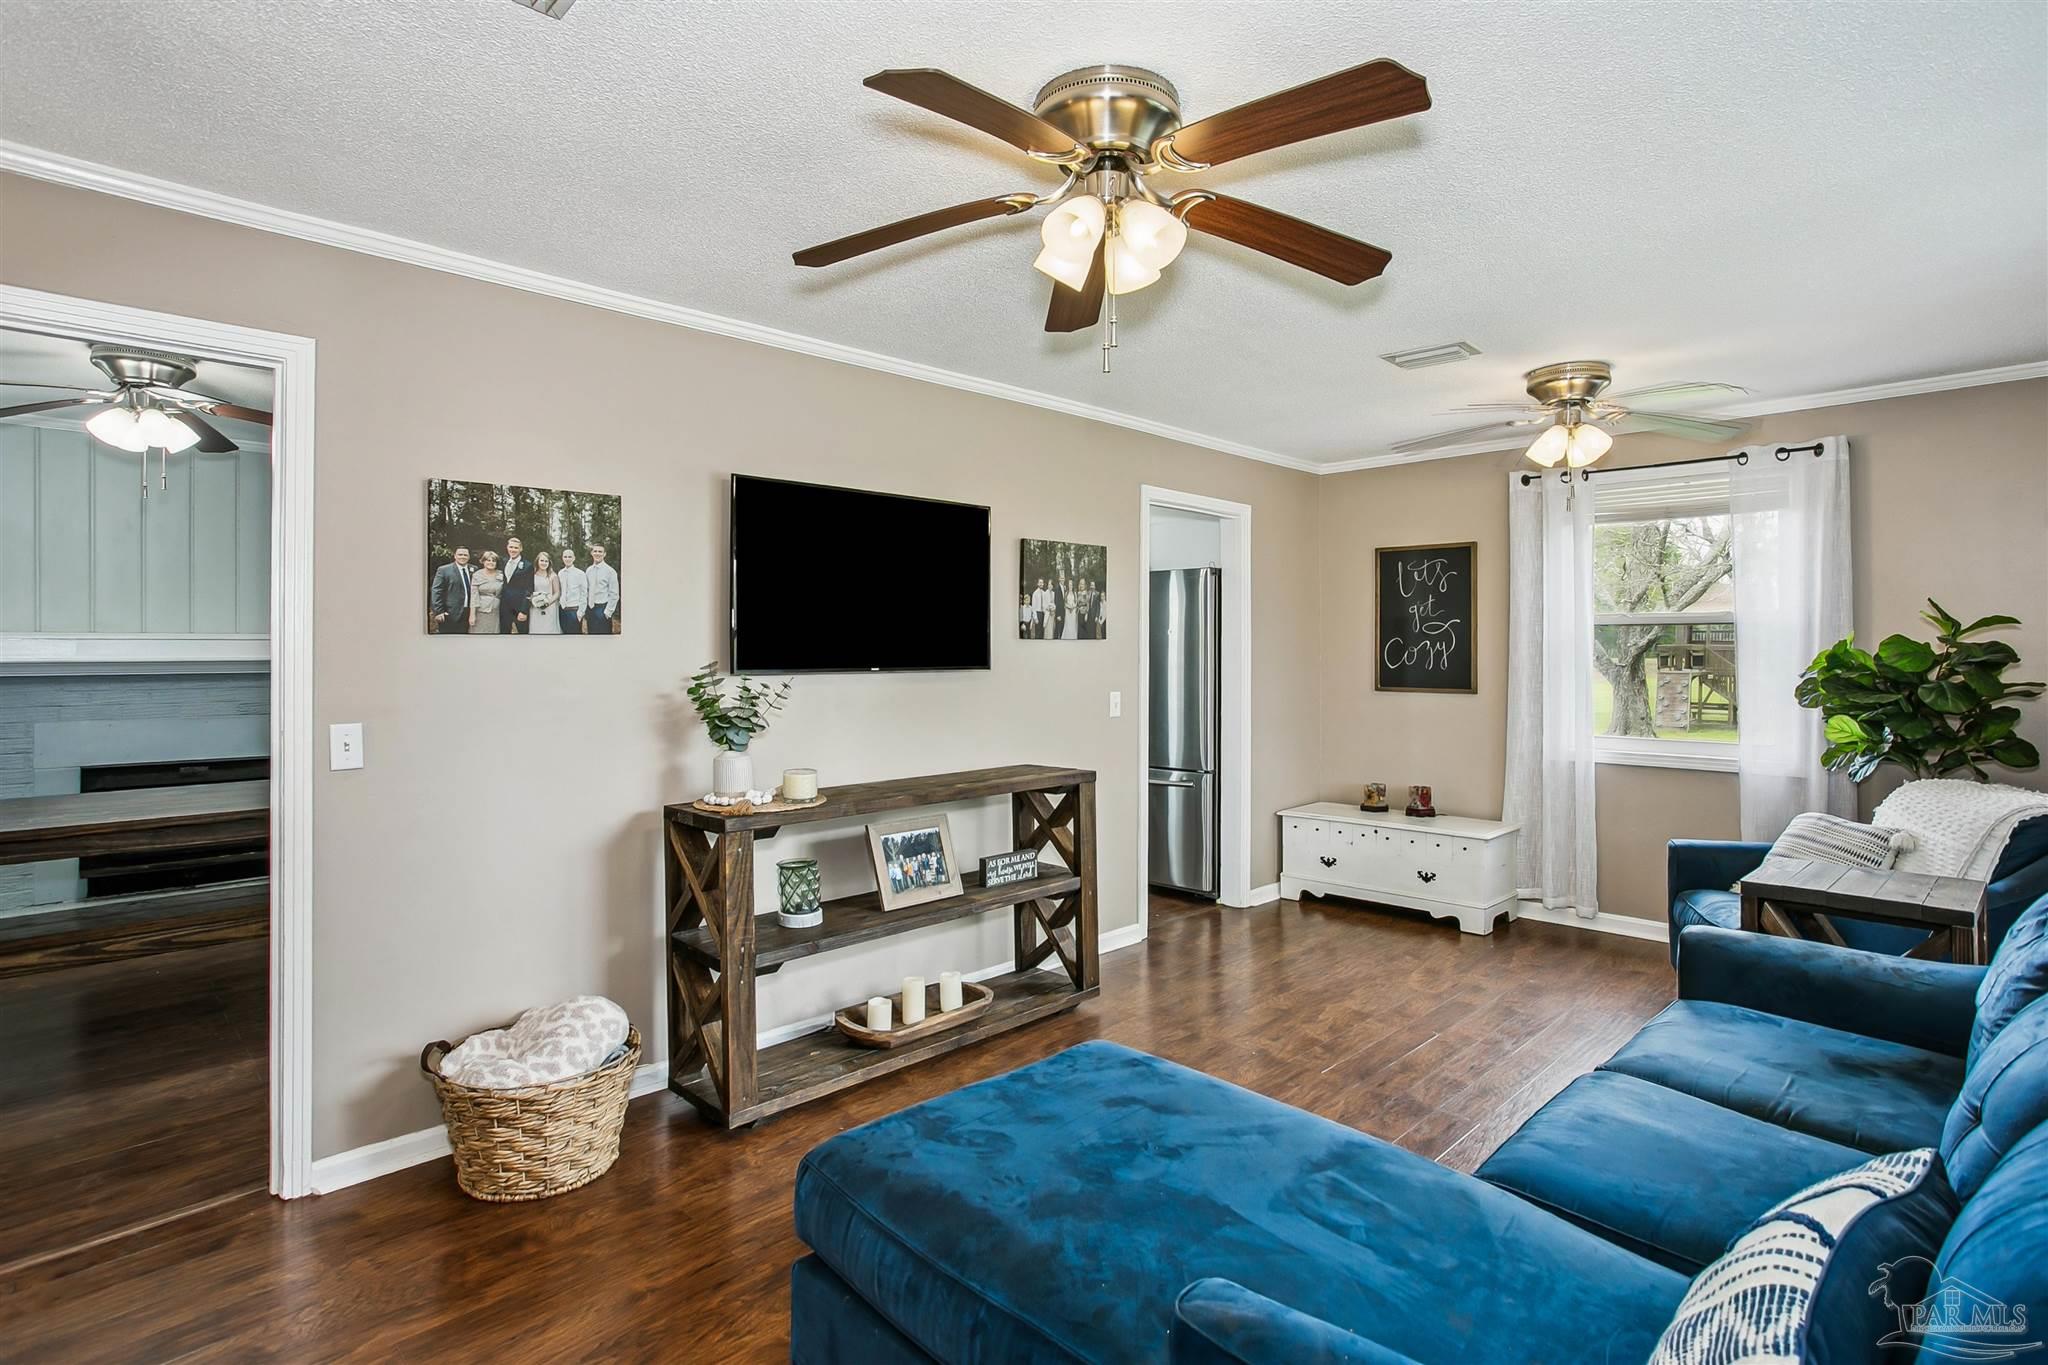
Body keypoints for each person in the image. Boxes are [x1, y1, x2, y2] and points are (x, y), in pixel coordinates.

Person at [430, 547, 472, 634]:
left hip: (469, 613)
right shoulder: (444, 570)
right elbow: (437, 590)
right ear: (455, 556)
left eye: (465, 555)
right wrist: (438, 611)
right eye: (460, 554)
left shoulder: (474, 569)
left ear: (469, 557)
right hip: (450, 613)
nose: (463, 557)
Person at [499, 535, 534, 635]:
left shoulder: (528, 566)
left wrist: (524, 610)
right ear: (507, 547)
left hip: (519, 607)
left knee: (523, 636)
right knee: (504, 634)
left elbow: (529, 589)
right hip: (504, 606)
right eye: (511, 547)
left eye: (516, 547)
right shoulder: (503, 561)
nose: (513, 550)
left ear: (521, 549)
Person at [586, 543, 620, 634]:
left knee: (604, 642)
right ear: (591, 553)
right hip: (590, 609)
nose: (597, 553)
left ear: (604, 554)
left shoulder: (610, 571)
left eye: (600, 551)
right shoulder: (588, 570)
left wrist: (607, 613)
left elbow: (614, 594)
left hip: (602, 609)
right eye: (595, 551)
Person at [469, 550, 504, 634]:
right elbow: (474, 596)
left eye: (493, 561)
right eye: (488, 560)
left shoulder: (501, 574)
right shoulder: (477, 575)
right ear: (483, 561)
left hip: (496, 611)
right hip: (481, 611)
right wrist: (472, 615)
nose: (491, 562)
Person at [556, 546, 589, 635]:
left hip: (574, 610)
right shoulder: (560, 573)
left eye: (570, 557)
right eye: (565, 557)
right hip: (562, 610)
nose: (567, 559)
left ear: (574, 558)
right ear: (562, 558)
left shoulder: (580, 574)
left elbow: (584, 594)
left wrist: (580, 613)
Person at [528, 551, 562, 634]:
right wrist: (532, 600)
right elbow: (529, 591)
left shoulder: (553, 575)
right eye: (542, 561)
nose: (544, 563)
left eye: (546, 561)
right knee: (536, 628)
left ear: (549, 563)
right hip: (535, 606)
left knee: (549, 628)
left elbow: (557, 593)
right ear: (537, 562)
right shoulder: (532, 575)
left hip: (549, 606)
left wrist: (547, 603)